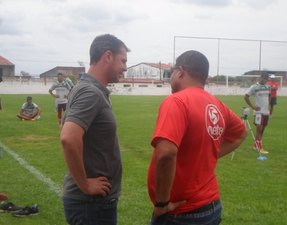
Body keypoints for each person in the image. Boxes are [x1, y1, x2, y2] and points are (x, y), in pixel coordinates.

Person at [147, 50, 247, 225]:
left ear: (180, 71)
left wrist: (162, 204)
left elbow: (166, 153)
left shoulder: (176, 101)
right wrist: (210, 153)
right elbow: (241, 133)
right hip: (212, 207)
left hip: (181, 213)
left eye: (172, 72)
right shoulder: (217, 104)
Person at [60, 34, 129, 225]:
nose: (125, 67)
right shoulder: (90, 91)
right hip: (90, 205)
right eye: (122, 61)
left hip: (93, 204)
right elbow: (68, 138)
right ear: (108, 56)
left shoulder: (91, 89)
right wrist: (86, 185)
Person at [244, 72, 271, 154]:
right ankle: (260, 148)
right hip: (258, 112)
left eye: (267, 79)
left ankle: (255, 145)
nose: (265, 80)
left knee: (262, 130)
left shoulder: (268, 87)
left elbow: (269, 96)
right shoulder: (254, 87)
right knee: (259, 129)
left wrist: (268, 105)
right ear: (260, 77)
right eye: (264, 78)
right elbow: (246, 96)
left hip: (266, 112)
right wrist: (253, 107)